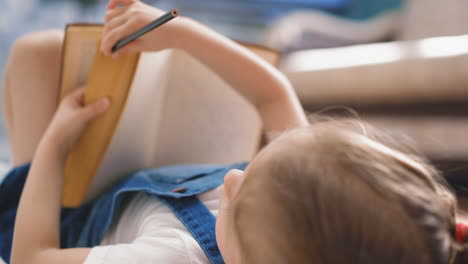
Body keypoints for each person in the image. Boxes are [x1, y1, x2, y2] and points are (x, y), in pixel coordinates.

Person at [1, 0, 467, 263]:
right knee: (46, 52)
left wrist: (54, 148)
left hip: (62, 217)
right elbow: (272, 94)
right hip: (146, 179)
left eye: (237, 201)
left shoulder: (170, 258)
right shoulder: (299, 199)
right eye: (258, 164)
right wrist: (178, 32)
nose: (231, 177)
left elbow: (31, 257)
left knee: (29, 58)